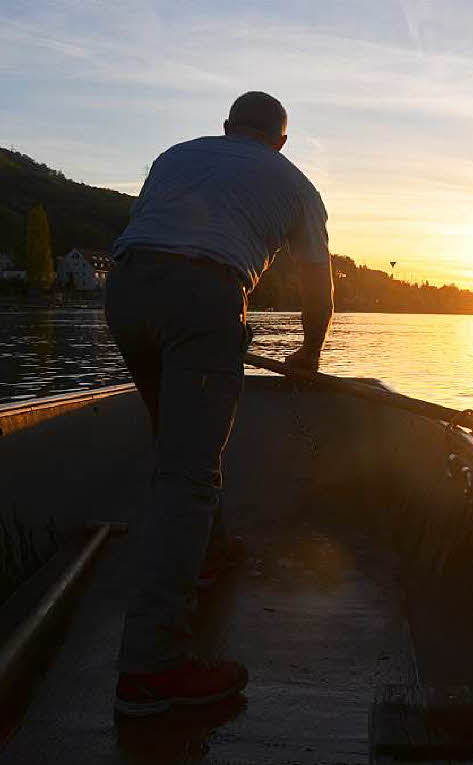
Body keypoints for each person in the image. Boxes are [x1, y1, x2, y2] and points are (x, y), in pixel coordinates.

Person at [106, 91, 334, 717]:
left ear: (228, 128)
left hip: (123, 291)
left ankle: (209, 552)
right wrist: (309, 357)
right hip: (204, 298)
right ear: (281, 141)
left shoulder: (174, 154)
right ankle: (151, 669)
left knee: (178, 446)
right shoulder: (296, 183)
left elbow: (150, 232)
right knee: (187, 473)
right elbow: (320, 291)